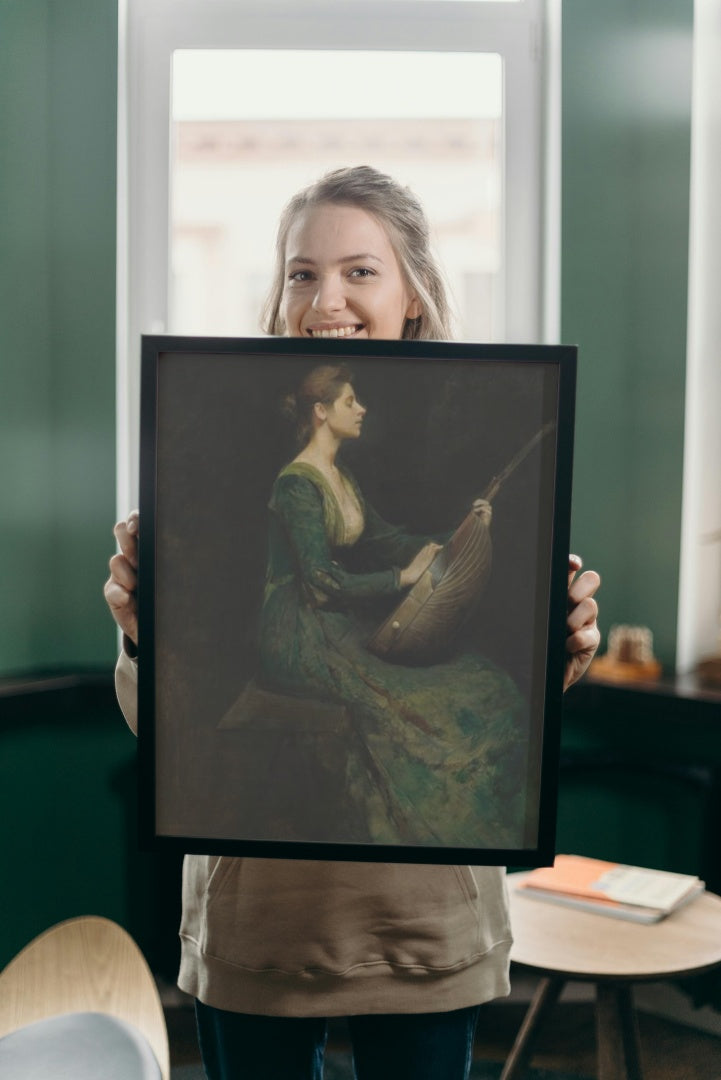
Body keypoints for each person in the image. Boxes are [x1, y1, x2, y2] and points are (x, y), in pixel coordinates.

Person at [105, 165, 601, 1080]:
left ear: (413, 292)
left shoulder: (354, 467)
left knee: (485, 692)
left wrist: (550, 645)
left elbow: (383, 542)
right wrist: (142, 634)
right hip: (262, 923)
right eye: (301, 272)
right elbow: (322, 586)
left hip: (424, 929)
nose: (324, 297)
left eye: (359, 271)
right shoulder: (292, 475)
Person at [260, 361, 524, 848]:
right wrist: (401, 579)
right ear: (320, 412)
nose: (361, 409)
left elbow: (389, 541)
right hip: (298, 630)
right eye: (349, 402)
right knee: (420, 706)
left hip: (337, 616)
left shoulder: (342, 477)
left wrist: (463, 531)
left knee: (480, 680)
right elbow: (319, 579)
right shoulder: (297, 484)